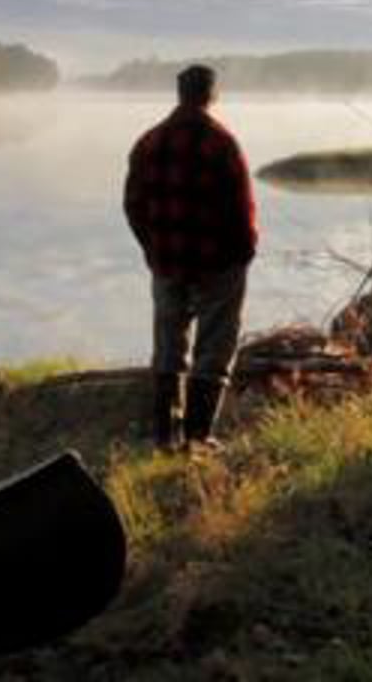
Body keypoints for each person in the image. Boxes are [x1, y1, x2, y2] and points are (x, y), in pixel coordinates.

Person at [123, 64, 257, 451]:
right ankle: (198, 439)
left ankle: (165, 437)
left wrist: (152, 248)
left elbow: (132, 205)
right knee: (214, 348)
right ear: (211, 95)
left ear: (180, 93)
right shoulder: (222, 142)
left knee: (168, 346)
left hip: (167, 261)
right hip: (218, 264)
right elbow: (242, 209)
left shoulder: (148, 142)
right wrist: (243, 254)